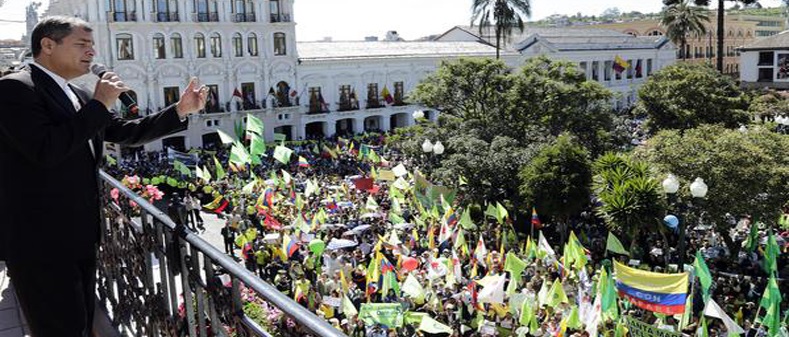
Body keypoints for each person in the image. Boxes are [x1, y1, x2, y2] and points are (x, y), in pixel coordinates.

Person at [0, 16, 208, 337]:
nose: (91, 52)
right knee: (58, 326)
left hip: (81, 235)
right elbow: (46, 150)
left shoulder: (78, 95)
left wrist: (180, 110)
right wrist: (100, 103)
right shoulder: (15, 88)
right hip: (40, 240)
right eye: (82, 44)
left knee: (79, 322)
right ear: (47, 45)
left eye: (92, 45)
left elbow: (126, 132)